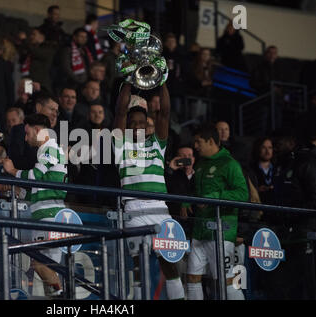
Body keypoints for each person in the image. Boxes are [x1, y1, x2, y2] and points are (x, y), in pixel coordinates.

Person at [113, 81, 185, 300]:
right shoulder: (120, 145)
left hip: (160, 210)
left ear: (147, 125)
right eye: (132, 123)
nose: (136, 127)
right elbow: (119, 112)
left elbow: (165, 112)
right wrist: (127, 82)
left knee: (170, 264)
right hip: (133, 210)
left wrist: (162, 81)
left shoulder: (157, 145)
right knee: (138, 268)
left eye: (141, 123)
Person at [2, 113, 67, 297]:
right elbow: (39, 186)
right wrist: (20, 192)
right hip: (50, 216)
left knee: (38, 263)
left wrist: (12, 170)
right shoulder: (48, 150)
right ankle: (57, 297)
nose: (25, 137)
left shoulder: (50, 148)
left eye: (27, 132)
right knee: (48, 267)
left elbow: (34, 177)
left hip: (49, 217)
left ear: (37, 130)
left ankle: (60, 295)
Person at [186, 123, 248, 300]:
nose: (195, 146)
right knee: (192, 278)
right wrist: (186, 202)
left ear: (211, 141)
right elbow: (196, 192)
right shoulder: (200, 164)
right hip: (199, 231)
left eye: (198, 142)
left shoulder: (230, 164)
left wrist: (215, 197)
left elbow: (243, 194)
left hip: (221, 232)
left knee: (226, 281)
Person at [19, 27, 56, 93]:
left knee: (39, 101)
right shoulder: (31, 48)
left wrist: (24, 40)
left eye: (34, 34)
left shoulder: (49, 48)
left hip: (41, 83)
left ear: (42, 36)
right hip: (28, 80)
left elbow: (36, 53)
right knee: (28, 99)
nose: (31, 36)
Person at [249, 137, 277, 205]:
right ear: (258, 149)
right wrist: (257, 190)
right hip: (258, 206)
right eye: (263, 147)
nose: (267, 151)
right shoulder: (250, 169)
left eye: (270, 147)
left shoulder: (279, 168)